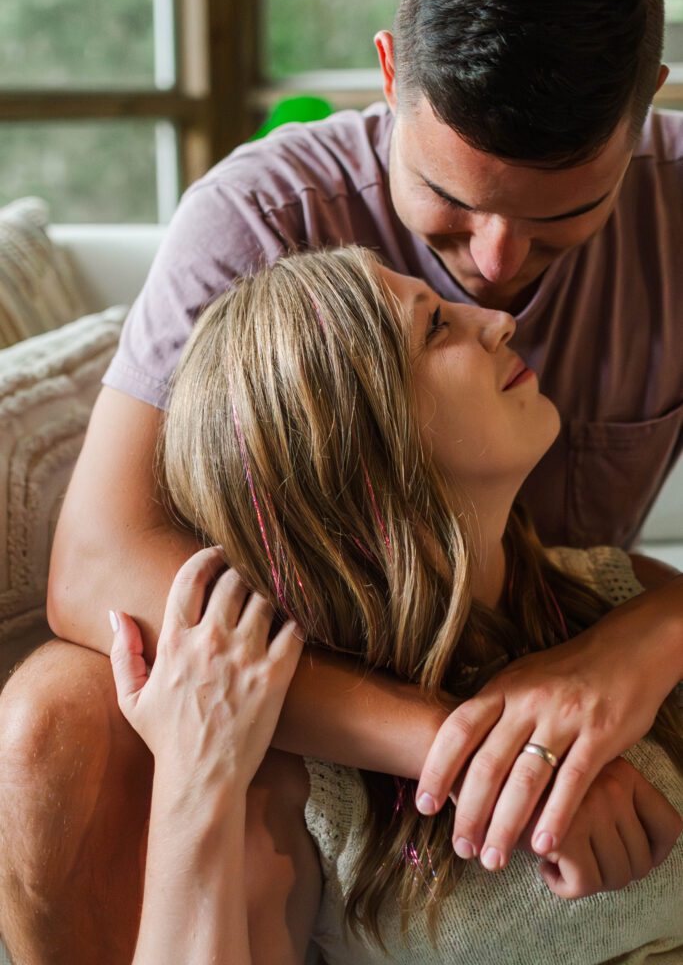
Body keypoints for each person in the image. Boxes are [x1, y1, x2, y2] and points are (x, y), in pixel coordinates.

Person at [0, 0, 681, 960]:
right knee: (56, 705)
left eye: (556, 224)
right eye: (451, 205)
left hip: (556, 611)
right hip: (336, 654)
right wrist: (474, 748)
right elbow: (98, 567)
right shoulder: (260, 218)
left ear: (645, 110)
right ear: (388, 73)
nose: (493, 278)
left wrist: (628, 648)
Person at [112, 246, 682, 964]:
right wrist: (195, 779)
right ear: (355, 445)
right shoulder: (298, 781)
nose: (499, 321)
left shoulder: (628, 597)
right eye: (436, 328)